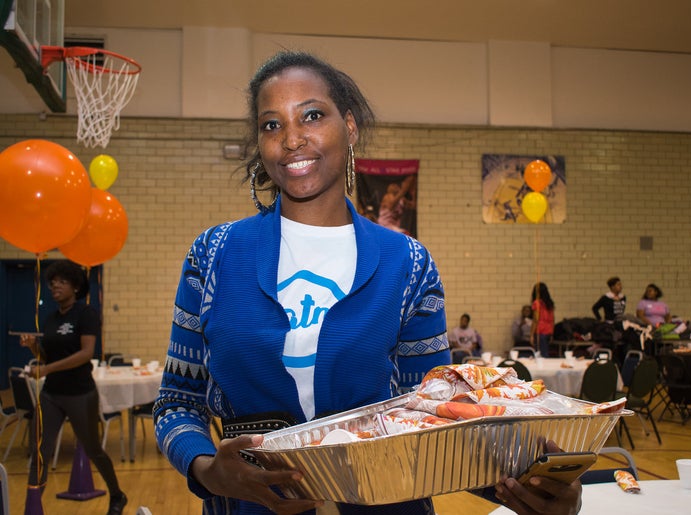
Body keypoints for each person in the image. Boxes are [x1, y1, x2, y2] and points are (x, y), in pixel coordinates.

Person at [153, 50, 581, 515]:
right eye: (271, 125)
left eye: (312, 115)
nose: (292, 138)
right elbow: (178, 401)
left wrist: (526, 487)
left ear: (350, 127)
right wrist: (206, 468)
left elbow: (435, 418)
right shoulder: (213, 255)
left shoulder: (409, 264)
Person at [19, 260, 127, 515]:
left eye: (62, 281)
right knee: (40, 452)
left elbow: (85, 353)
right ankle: (31, 509)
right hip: (51, 394)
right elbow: (48, 357)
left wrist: (46, 370)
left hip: (80, 393)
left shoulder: (86, 314)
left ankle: (116, 494)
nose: (54, 284)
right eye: (52, 281)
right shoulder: (51, 318)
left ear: (76, 287)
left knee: (93, 449)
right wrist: (33, 347)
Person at [530, 283, 555, 358]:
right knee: (545, 352)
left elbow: (535, 320)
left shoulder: (537, 303)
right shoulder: (549, 304)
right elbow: (552, 320)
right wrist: (552, 333)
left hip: (539, 331)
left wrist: (531, 334)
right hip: (548, 331)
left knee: (540, 355)